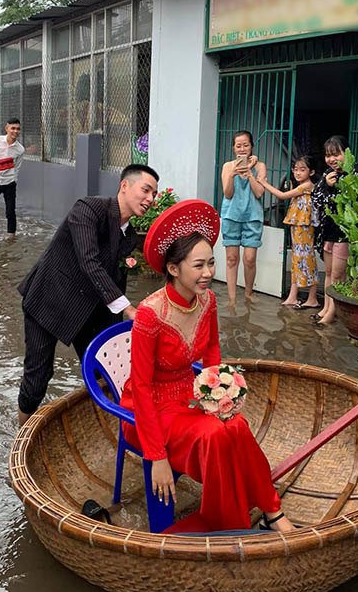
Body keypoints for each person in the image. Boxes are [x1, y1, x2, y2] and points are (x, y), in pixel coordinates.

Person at [120, 200, 294, 534]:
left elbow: (212, 350)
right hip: (151, 409)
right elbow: (140, 386)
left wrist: (218, 392)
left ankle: (271, 510)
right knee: (215, 434)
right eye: (198, 266)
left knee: (236, 425)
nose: (208, 273)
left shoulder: (208, 301)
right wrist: (156, 457)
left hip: (191, 393)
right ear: (174, 269)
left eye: (211, 263)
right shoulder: (149, 314)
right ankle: (227, 522)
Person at [17, 163, 159, 426]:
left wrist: (120, 332)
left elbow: (116, 281)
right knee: (38, 377)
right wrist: (129, 309)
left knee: (105, 371)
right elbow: (89, 262)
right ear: (125, 186)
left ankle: (110, 431)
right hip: (48, 300)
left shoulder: (128, 237)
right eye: (146, 190)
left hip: (88, 309)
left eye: (154, 194)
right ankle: (20, 433)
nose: (150, 199)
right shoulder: (89, 209)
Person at [259, 155, 319, 309]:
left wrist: (264, 183)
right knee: (297, 259)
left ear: (311, 172)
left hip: (304, 227)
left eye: (302, 169)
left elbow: (282, 196)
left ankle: (312, 297)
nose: (297, 172)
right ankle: (293, 295)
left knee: (307, 260)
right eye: (296, 169)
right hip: (298, 226)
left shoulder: (306, 186)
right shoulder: (301, 186)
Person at [220, 130, 266, 306]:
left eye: (246, 145)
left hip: (252, 217)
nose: (242, 148)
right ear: (233, 148)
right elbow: (228, 193)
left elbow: (259, 192)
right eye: (238, 145)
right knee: (232, 259)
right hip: (231, 215)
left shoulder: (259, 166)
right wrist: (232, 174)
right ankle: (232, 298)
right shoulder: (227, 166)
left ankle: (248, 293)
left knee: (249, 258)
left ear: (252, 146)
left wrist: (249, 173)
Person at [311, 135, 351, 326]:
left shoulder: (356, 173)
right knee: (327, 272)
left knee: (337, 275)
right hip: (327, 230)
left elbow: (350, 200)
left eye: (336, 154)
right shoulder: (327, 175)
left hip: (344, 232)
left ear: (346, 153)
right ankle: (326, 308)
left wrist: (335, 188)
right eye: (328, 155)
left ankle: (332, 313)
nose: (331, 159)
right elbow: (316, 199)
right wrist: (326, 185)